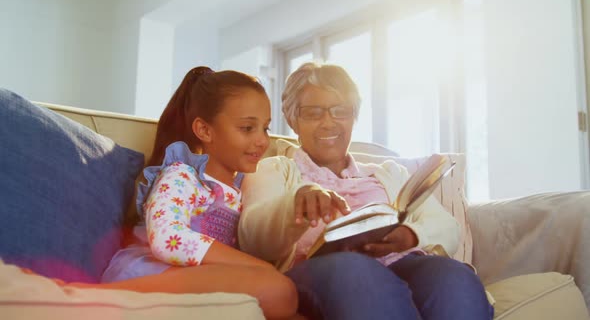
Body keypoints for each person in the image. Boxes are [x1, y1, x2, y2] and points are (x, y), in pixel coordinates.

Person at [238, 62, 494, 320]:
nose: (329, 123)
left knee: (453, 275)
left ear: (353, 117)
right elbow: (252, 235)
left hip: (401, 263)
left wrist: (410, 235)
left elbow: (447, 226)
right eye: (314, 113)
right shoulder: (274, 169)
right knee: (356, 270)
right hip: (322, 272)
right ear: (293, 119)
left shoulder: (388, 173)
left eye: (340, 111)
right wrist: (296, 204)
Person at [94, 66, 298, 320]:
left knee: (283, 297)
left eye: (265, 128)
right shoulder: (182, 175)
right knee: (278, 289)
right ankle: (108, 297)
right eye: (247, 128)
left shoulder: (243, 192)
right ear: (205, 131)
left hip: (200, 284)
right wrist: (257, 268)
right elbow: (167, 237)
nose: (262, 141)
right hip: (153, 273)